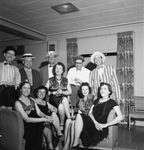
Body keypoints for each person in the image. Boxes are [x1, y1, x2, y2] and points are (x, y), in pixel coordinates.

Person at [71, 82, 123, 149]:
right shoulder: (96, 100)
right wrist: (95, 122)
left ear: (109, 91)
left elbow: (120, 117)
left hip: (101, 127)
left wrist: (106, 125)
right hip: (92, 123)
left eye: (105, 89)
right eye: (101, 89)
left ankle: (75, 144)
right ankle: (75, 142)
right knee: (78, 116)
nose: (102, 90)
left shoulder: (112, 102)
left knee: (78, 117)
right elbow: (90, 113)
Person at [14, 81, 52, 150]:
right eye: (24, 88)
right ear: (20, 89)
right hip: (26, 125)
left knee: (41, 127)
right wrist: (44, 119)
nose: (26, 90)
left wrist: (46, 116)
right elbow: (27, 119)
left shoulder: (31, 99)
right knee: (36, 130)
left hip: (36, 123)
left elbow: (39, 113)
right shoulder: (17, 103)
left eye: (28, 88)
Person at [63, 82, 94, 150]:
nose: (85, 91)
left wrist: (78, 117)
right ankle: (66, 145)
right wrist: (75, 116)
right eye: (83, 90)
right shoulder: (80, 100)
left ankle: (71, 145)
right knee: (68, 121)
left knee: (73, 122)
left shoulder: (93, 98)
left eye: (86, 89)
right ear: (81, 91)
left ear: (89, 90)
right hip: (81, 118)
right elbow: (80, 112)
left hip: (89, 120)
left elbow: (93, 112)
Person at [34, 85, 63, 150]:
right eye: (40, 92)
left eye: (43, 92)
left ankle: (59, 133)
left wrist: (52, 109)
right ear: (36, 93)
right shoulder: (33, 101)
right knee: (49, 126)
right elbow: (37, 113)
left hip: (47, 119)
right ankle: (52, 146)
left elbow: (55, 109)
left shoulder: (45, 102)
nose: (41, 94)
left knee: (53, 114)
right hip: (38, 120)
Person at [45, 62, 72, 131]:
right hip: (53, 99)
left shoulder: (65, 80)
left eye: (60, 68)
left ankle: (61, 124)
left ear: (62, 71)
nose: (58, 70)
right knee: (65, 99)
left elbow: (70, 91)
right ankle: (69, 118)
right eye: (56, 68)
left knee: (61, 107)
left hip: (62, 100)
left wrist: (62, 92)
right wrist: (53, 92)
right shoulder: (50, 80)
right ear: (54, 70)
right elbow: (44, 91)